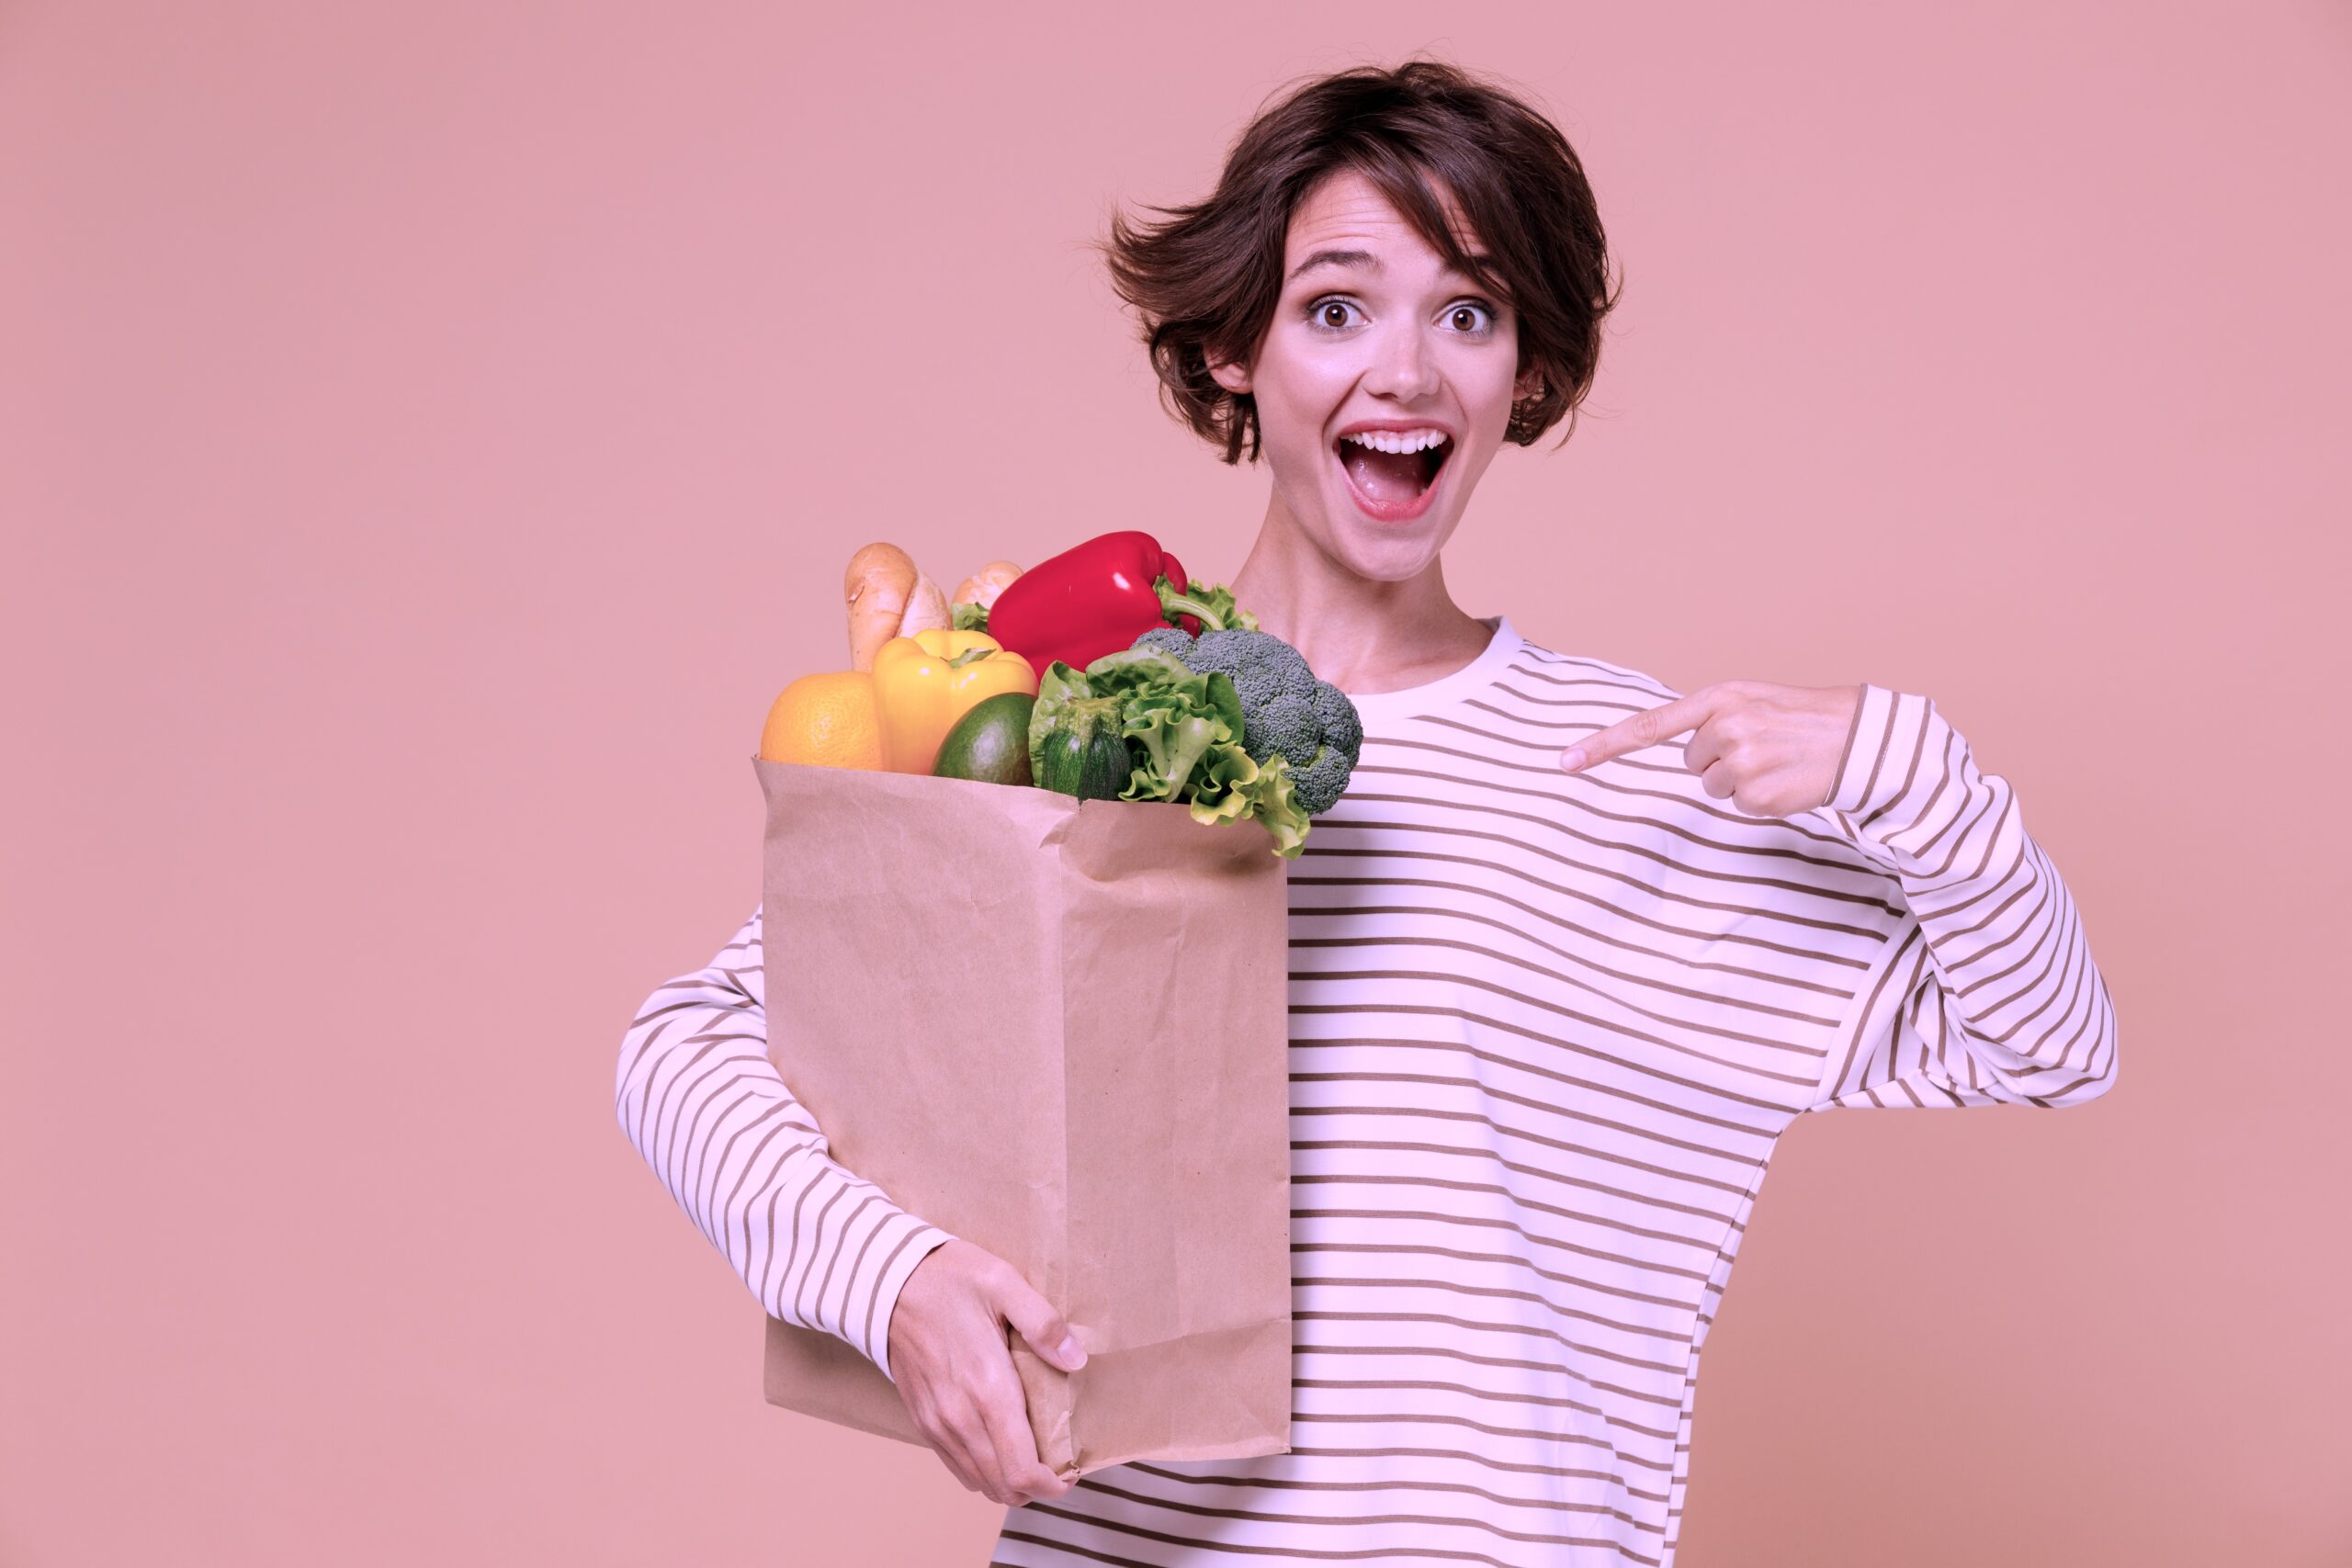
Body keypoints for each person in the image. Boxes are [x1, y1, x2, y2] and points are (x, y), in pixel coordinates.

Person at [616, 57, 2120, 1567]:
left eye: (1468, 313)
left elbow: (2047, 1043)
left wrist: (1909, 769)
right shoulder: (1091, 728)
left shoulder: (1637, 783)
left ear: (1525, 370)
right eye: (1337, 309)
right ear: (1233, 349)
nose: (1406, 373)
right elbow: (687, 1044)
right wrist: (889, 1279)